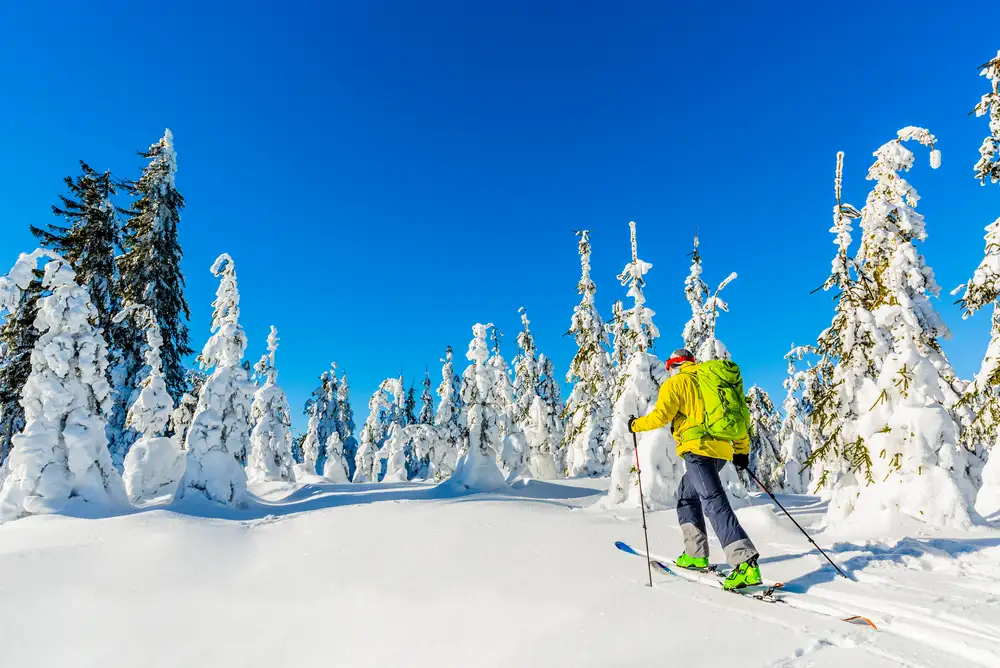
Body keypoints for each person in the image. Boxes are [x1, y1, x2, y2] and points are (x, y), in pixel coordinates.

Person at [627, 348, 761, 590]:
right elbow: (739, 417)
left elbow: (660, 416)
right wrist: (741, 451)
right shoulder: (713, 382)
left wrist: (635, 425)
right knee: (687, 496)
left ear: (674, 365)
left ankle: (745, 564)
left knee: (713, 500)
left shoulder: (677, 383)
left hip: (697, 450)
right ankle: (695, 554)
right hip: (720, 452)